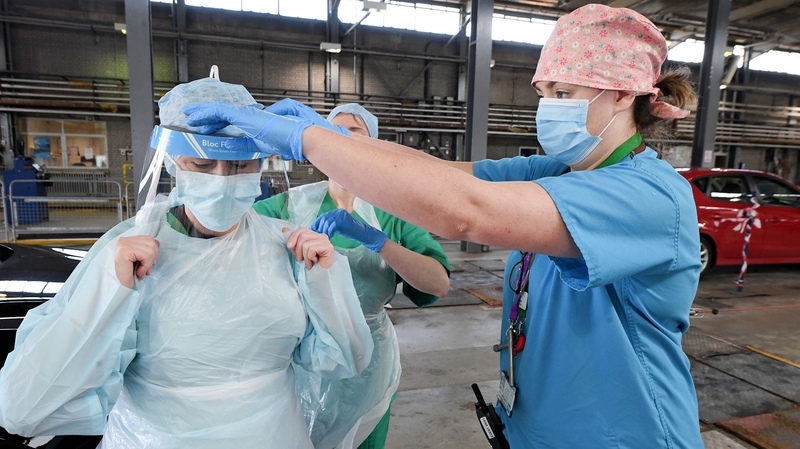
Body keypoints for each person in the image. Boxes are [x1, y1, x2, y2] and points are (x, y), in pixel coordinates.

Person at [183, 4, 703, 447]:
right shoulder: (556, 171)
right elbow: (442, 174)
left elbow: (465, 211)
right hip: (537, 424)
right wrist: (331, 135)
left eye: (563, 93)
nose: (548, 107)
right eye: (544, 92)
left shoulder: (649, 196)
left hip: (621, 433)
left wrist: (307, 142)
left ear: (621, 94)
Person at [0, 75, 373, 449]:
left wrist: (325, 279)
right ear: (174, 163)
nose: (222, 179)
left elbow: (347, 361)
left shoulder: (287, 246)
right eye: (203, 164)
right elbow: (26, 407)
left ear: (260, 164)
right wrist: (107, 290)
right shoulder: (127, 252)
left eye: (240, 165)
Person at [253, 103, 450, 449]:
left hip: (368, 368)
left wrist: (379, 241)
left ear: (373, 146)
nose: (341, 139)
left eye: (353, 133)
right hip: (304, 358)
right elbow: (230, 232)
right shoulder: (289, 205)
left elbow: (437, 283)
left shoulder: (394, 213)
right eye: (331, 132)